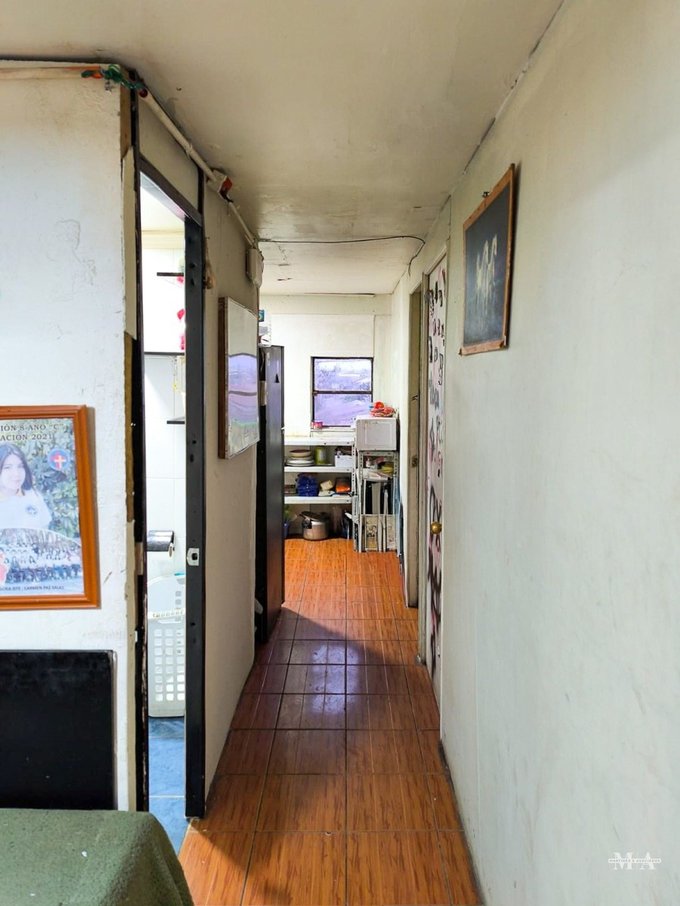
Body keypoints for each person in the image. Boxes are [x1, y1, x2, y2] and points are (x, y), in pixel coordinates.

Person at [0, 444, 51, 530]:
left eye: (20, 466)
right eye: (7, 467)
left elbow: (44, 532)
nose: (16, 473)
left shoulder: (34, 497)